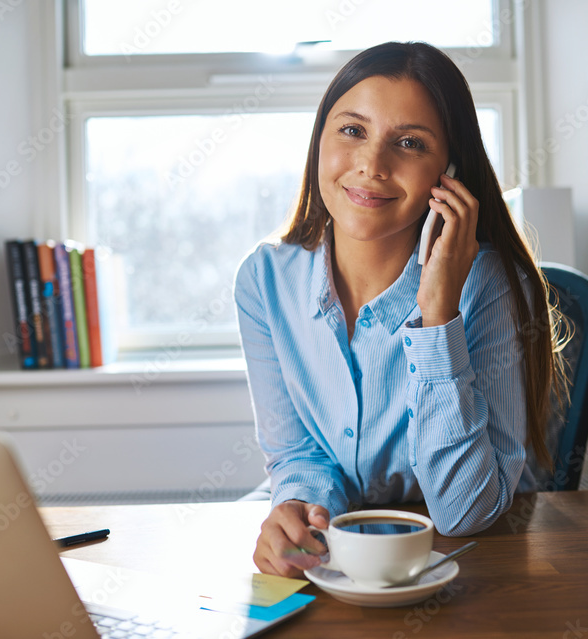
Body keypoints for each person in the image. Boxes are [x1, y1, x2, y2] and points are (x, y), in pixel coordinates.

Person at [234, 41, 563, 578]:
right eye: (352, 130)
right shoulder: (264, 282)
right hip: (343, 556)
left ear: (449, 171)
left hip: (472, 564)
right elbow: (298, 454)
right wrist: (304, 512)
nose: (371, 165)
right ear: (320, 138)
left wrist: (438, 315)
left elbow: (463, 513)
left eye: (409, 143)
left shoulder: (493, 285)